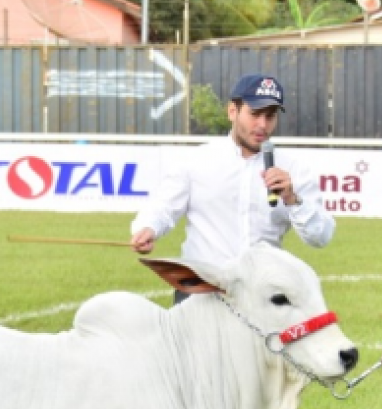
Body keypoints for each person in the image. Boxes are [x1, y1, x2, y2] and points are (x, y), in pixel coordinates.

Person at [129, 73, 335, 302]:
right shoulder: (196, 161)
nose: (263, 125)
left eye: (270, 116)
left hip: (261, 296)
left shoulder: (293, 170)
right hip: (201, 290)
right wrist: (148, 228)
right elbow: (163, 207)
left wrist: (292, 199)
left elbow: (321, 236)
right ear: (232, 111)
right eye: (255, 114)